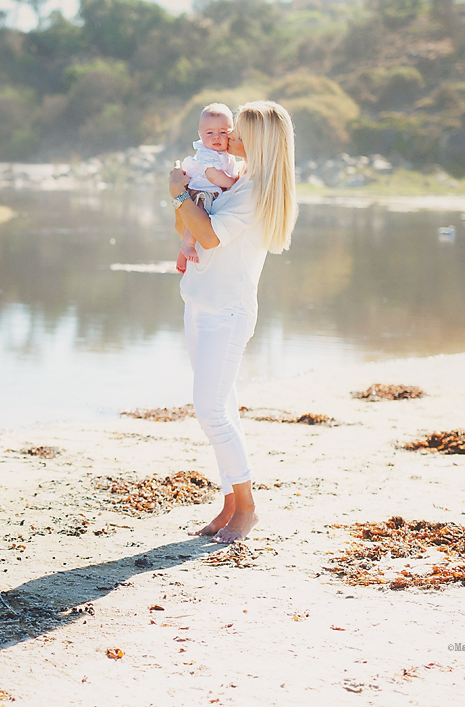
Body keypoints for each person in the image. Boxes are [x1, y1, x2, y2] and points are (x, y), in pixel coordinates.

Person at [167, 101, 298, 544]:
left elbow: (207, 233)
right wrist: (187, 200)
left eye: (239, 132)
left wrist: (178, 195)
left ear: (257, 140)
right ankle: (228, 504)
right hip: (199, 301)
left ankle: (248, 508)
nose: (229, 138)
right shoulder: (235, 179)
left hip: (227, 311)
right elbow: (193, 229)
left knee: (210, 411)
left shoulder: (254, 189)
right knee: (221, 410)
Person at [175, 103, 240, 275]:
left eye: (223, 132)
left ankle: (183, 253)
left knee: (200, 221)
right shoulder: (206, 153)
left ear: (232, 133)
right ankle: (187, 245)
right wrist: (233, 183)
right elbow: (212, 175)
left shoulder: (225, 155)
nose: (216, 137)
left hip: (211, 191)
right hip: (202, 191)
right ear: (200, 135)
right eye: (209, 133)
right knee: (200, 214)